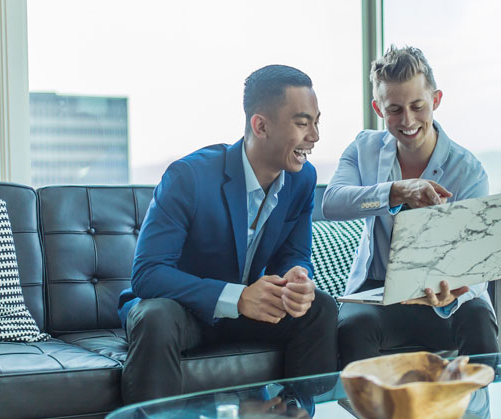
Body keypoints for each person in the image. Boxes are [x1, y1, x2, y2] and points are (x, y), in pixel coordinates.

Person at [117, 65, 338, 404]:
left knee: (319, 307)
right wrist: (237, 297)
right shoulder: (188, 177)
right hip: (184, 310)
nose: (315, 136)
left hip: (247, 311)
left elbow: (294, 253)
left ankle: (293, 410)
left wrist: (297, 276)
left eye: (316, 121)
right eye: (302, 122)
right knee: (155, 316)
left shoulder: (302, 179)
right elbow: (147, 274)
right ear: (260, 125)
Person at [322, 46, 499, 367]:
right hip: (378, 292)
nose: (407, 120)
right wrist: (397, 191)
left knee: (478, 319)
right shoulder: (363, 149)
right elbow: (332, 203)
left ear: (436, 100)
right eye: (394, 109)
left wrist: (454, 291)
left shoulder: (468, 170)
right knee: (352, 327)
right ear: (378, 108)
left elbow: (477, 261)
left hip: (445, 294)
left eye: (418, 106)